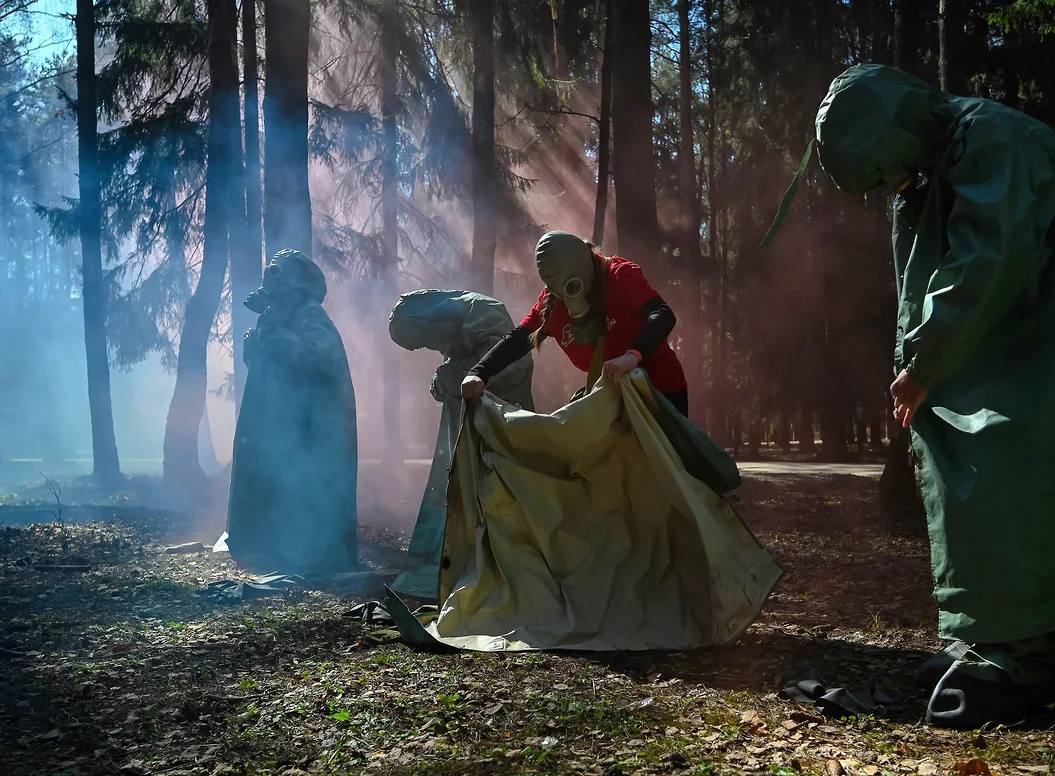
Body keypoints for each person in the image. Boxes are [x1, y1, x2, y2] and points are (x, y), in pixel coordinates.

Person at [780, 63, 1055, 728]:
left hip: (1026, 353)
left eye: (884, 172)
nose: (888, 188)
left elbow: (986, 259)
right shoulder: (927, 172)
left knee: (1003, 470)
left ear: (898, 129)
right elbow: (918, 284)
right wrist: (916, 368)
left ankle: (1023, 652)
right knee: (965, 479)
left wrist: (927, 361)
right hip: (988, 352)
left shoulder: (990, 141)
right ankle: (986, 637)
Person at [388, 289, 533, 598]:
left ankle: (499, 570)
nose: (428, 346)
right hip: (473, 425)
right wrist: (444, 378)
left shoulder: (483, 313)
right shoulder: (455, 321)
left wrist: (450, 377)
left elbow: (509, 365)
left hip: (499, 424)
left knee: (498, 494)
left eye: (422, 339)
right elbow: (458, 365)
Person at [226, 249, 358, 573]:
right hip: (280, 420)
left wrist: (280, 342)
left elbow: (323, 360)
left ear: (295, 291)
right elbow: (262, 365)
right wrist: (255, 345)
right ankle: (268, 541)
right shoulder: (274, 315)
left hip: (311, 424)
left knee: (305, 482)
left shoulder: (311, 316)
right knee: (273, 475)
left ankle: (311, 547)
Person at [461, 231, 688, 413]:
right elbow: (518, 340)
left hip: (660, 393)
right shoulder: (552, 303)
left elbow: (662, 314)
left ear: (585, 265)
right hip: (613, 402)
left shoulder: (620, 275)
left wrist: (632, 356)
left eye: (574, 285)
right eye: (562, 290)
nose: (571, 297)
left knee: (668, 467)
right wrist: (478, 373)